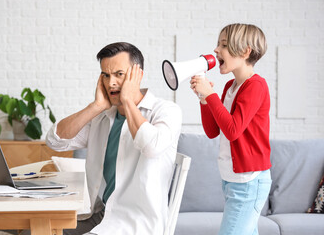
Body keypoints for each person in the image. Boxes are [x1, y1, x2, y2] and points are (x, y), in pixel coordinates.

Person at [46, 42, 182, 235]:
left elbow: (151, 147)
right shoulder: (103, 116)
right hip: (101, 215)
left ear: (138, 75)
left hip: (135, 223)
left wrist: (127, 101)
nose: (111, 83)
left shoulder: (166, 111)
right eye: (106, 75)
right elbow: (55, 141)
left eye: (119, 74)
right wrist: (95, 106)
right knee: (34, 231)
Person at [190, 23, 272, 235]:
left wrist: (210, 95)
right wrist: (204, 98)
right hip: (232, 180)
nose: (216, 50)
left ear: (245, 52)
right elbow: (212, 131)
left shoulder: (256, 86)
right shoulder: (229, 87)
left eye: (224, 45)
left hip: (249, 182)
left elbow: (233, 130)